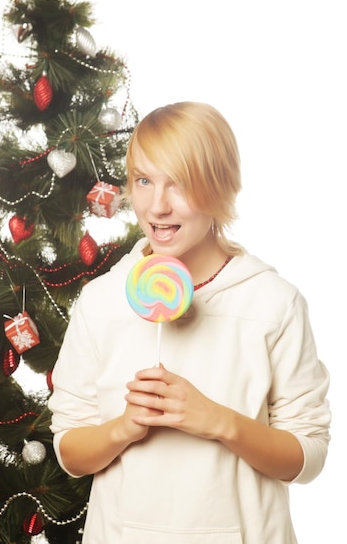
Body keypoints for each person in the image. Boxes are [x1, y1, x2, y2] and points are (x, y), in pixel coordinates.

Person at [48, 102, 331, 544]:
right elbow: (70, 451)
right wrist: (123, 428)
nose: (157, 206)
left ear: (220, 188)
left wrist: (217, 420)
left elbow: (308, 457)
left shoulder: (273, 302)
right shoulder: (101, 301)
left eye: (179, 183)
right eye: (143, 181)